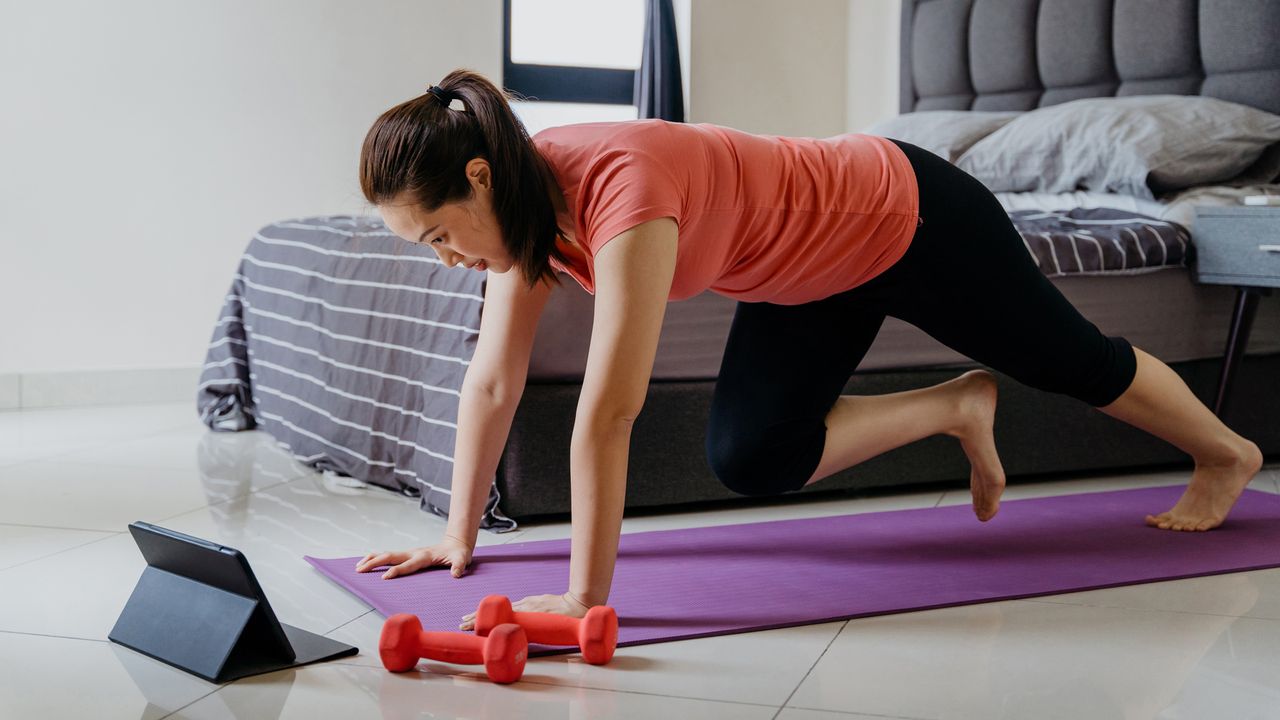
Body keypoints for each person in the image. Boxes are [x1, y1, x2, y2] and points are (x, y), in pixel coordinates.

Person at [354, 69, 1265, 631]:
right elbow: (492, 380)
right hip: (810, 274)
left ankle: (1227, 452)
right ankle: (956, 405)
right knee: (752, 455)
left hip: (909, 218)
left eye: (438, 235)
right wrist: (455, 536)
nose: (448, 259)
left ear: (477, 176)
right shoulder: (518, 207)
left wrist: (582, 597)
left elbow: (611, 410)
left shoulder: (619, 187)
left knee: (1070, 363)